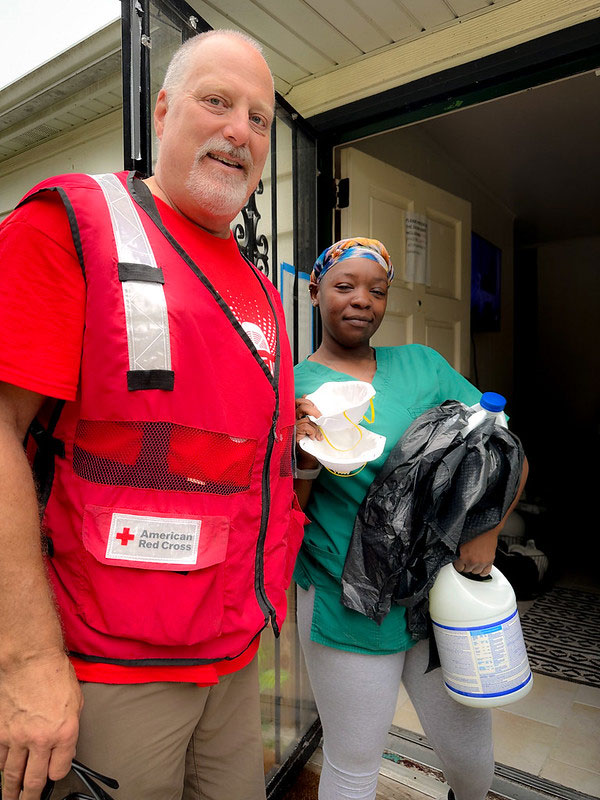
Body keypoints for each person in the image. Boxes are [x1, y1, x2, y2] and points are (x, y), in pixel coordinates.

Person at [0, 30, 305, 800]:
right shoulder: (72, 222)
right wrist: (26, 661)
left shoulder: (261, 288)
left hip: (236, 660)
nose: (241, 129)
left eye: (261, 118)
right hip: (110, 668)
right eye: (217, 101)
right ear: (163, 111)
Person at [293, 237, 528, 800]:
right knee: (353, 766)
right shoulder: (292, 388)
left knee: (472, 761)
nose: (361, 301)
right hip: (342, 598)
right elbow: (282, 515)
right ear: (315, 291)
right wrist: (302, 464)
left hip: (436, 593)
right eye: (344, 286)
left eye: (376, 291)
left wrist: (486, 533)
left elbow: (505, 453)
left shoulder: (422, 364)